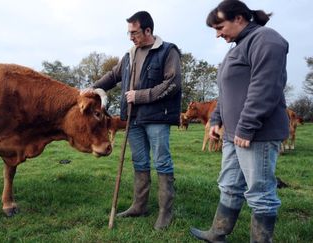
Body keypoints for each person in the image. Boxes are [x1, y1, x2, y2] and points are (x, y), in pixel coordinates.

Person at [190, 0, 289, 242]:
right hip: (233, 134)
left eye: (219, 26)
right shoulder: (238, 47)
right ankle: (218, 233)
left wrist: (246, 127)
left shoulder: (266, 39)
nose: (217, 34)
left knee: (260, 193)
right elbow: (227, 92)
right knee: (229, 185)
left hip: (256, 135)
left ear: (239, 19)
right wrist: (216, 119)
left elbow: (265, 88)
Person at [85, 11, 182, 230]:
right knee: (139, 162)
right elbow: (113, 75)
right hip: (133, 119)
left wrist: (140, 96)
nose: (130, 37)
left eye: (134, 32)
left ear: (148, 30)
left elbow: (173, 83)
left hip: (157, 117)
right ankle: (140, 206)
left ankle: (165, 212)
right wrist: (92, 88)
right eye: (128, 32)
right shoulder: (129, 55)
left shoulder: (168, 51)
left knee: (162, 162)